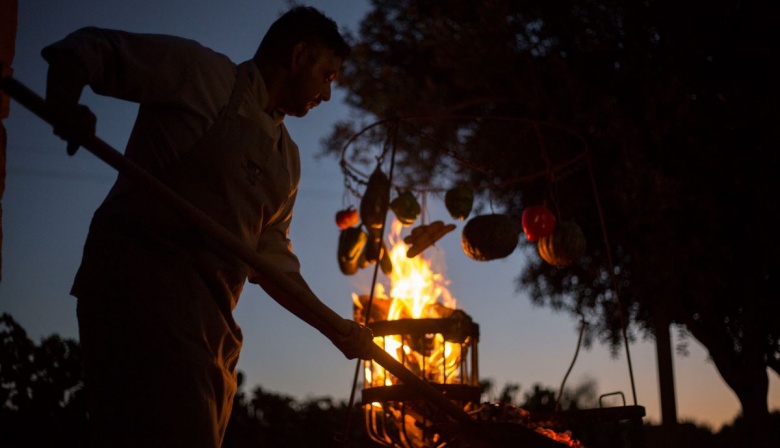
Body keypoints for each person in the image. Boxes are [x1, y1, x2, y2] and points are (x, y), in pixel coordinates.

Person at [42, 6, 374, 447]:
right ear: (298, 56)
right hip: (140, 298)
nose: (327, 94)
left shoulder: (286, 161)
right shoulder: (204, 76)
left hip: (212, 328)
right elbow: (89, 49)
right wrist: (63, 104)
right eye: (328, 76)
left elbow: (272, 265)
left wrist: (338, 329)